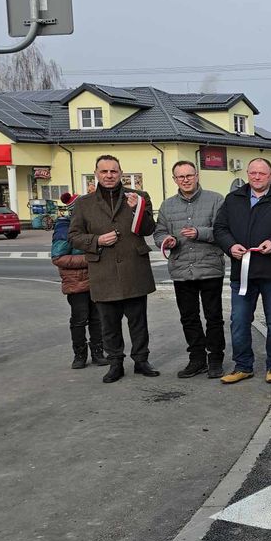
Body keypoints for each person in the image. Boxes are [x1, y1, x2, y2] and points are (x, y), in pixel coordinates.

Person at [68, 155, 160, 383]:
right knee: (108, 324)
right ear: (96, 174)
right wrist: (97, 240)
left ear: (120, 173)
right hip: (104, 272)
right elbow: (74, 236)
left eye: (113, 171)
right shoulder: (83, 203)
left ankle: (141, 361)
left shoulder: (138, 197)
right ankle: (115, 363)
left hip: (134, 268)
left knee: (138, 321)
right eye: (104, 171)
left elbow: (149, 229)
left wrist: (137, 209)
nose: (109, 175)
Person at [213, 158, 271, 385]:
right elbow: (220, 228)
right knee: (239, 320)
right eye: (252, 173)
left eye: (261, 173)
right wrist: (230, 245)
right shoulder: (234, 199)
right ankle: (243, 366)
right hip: (242, 273)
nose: (256, 177)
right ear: (247, 173)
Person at [154, 161, 227, 378]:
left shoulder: (216, 200)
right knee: (189, 317)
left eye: (189, 175)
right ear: (174, 179)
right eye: (180, 177)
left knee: (213, 316)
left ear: (197, 176)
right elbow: (159, 232)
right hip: (181, 269)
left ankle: (215, 359)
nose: (185, 180)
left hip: (210, 268)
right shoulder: (167, 206)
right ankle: (196, 359)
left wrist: (200, 232)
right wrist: (165, 240)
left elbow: (223, 232)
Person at [51, 192, 107, 370]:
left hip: (96, 280)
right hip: (76, 283)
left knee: (97, 319)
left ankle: (98, 353)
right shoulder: (64, 228)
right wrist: (89, 259)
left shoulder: (89, 226)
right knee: (79, 319)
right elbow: (58, 257)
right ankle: (80, 355)